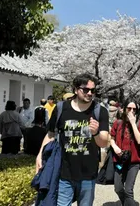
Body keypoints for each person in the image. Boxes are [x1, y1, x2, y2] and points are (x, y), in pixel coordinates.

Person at [36, 73, 110, 206]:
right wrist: (40, 155)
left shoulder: (100, 111)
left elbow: (104, 142)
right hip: (64, 172)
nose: (90, 93)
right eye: (85, 90)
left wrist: (95, 133)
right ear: (76, 89)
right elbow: (51, 134)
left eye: (93, 90)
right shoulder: (61, 108)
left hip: (88, 173)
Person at [110, 101, 140, 205]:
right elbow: (111, 138)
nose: (131, 111)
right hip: (120, 161)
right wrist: (114, 146)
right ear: (124, 109)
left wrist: (133, 123)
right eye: (129, 108)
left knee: (128, 190)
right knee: (118, 188)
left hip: (133, 161)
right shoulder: (118, 123)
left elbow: (139, 140)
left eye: (134, 109)